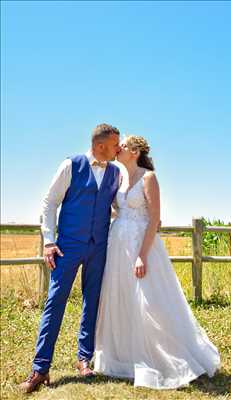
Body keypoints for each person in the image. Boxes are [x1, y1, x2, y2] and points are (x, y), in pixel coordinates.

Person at [94, 135, 220, 389]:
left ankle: (165, 353)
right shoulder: (119, 178)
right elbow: (119, 209)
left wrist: (142, 254)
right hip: (118, 243)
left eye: (124, 146)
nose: (118, 149)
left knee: (150, 301)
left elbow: (154, 219)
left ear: (135, 152)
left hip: (142, 245)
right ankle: (123, 356)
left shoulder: (149, 178)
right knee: (122, 296)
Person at [20, 123, 121, 393]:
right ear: (100, 145)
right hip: (67, 247)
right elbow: (50, 202)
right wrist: (49, 241)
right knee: (55, 303)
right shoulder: (71, 165)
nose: (118, 149)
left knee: (93, 302)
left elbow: (115, 208)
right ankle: (40, 369)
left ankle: (84, 359)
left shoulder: (115, 173)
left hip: (99, 247)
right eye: (114, 145)